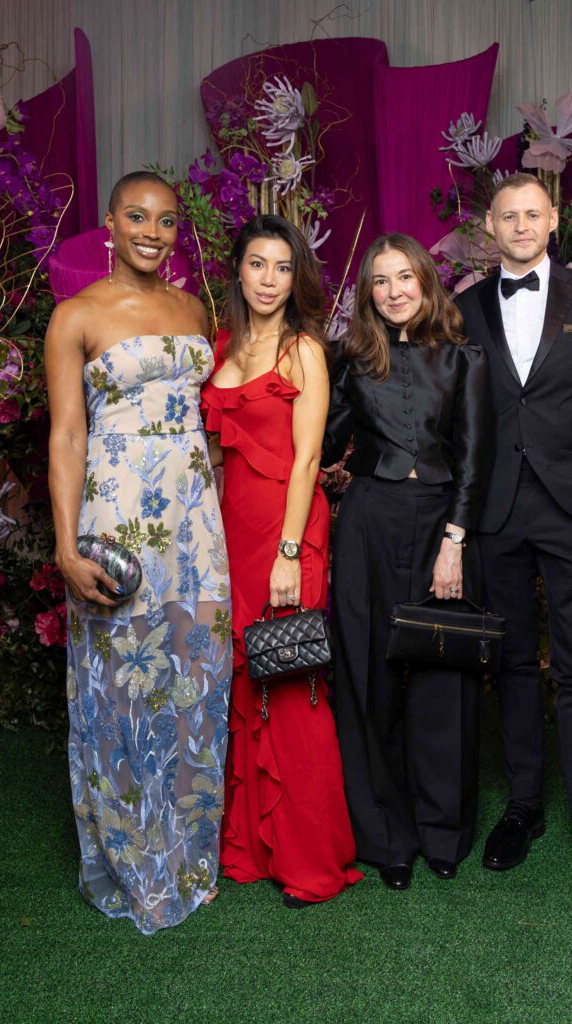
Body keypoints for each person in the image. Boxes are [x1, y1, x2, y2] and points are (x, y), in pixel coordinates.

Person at [455, 173, 572, 932]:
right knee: (507, 664)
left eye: (534, 213)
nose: (522, 224)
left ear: (553, 219)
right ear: (491, 227)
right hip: (498, 512)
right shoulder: (467, 307)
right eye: (509, 215)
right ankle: (526, 809)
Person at [45, 171, 232, 935]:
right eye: (136, 217)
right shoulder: (75, 315)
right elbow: (65, 436)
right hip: (117, 520)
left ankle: (189, 858)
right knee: (120, 692)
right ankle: (133, 865)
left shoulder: (193, 308)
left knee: (196, 684)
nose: (152, 232)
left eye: (165, 220)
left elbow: (212, 421)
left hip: (195, 523)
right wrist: (64, 545)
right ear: (111, 225)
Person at [200, 214, 362, 908]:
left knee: (293, 687)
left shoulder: (304, 350)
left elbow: (307, 460)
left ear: (298, 278)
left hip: (287, 533)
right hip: (230, 532)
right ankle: (253, 848)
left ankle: (310, 862)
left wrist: (290, 554)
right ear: (237, 268)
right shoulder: (222, 345)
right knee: (246, 682)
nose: (269, 279)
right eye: (257, 264)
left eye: (283, 267)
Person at [324, 233, 494, 891]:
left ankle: (442, 831)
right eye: (380, 281)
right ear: (368, 294)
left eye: (405, 277)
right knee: (372, 676)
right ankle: (387, 836)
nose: (394, 291)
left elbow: (476, 458)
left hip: (439, 530)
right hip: (368, 520)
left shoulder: (462, 360)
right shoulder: (353, 360)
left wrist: (454, 540)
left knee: (441, 677)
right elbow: (324, 438)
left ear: (426, 283)